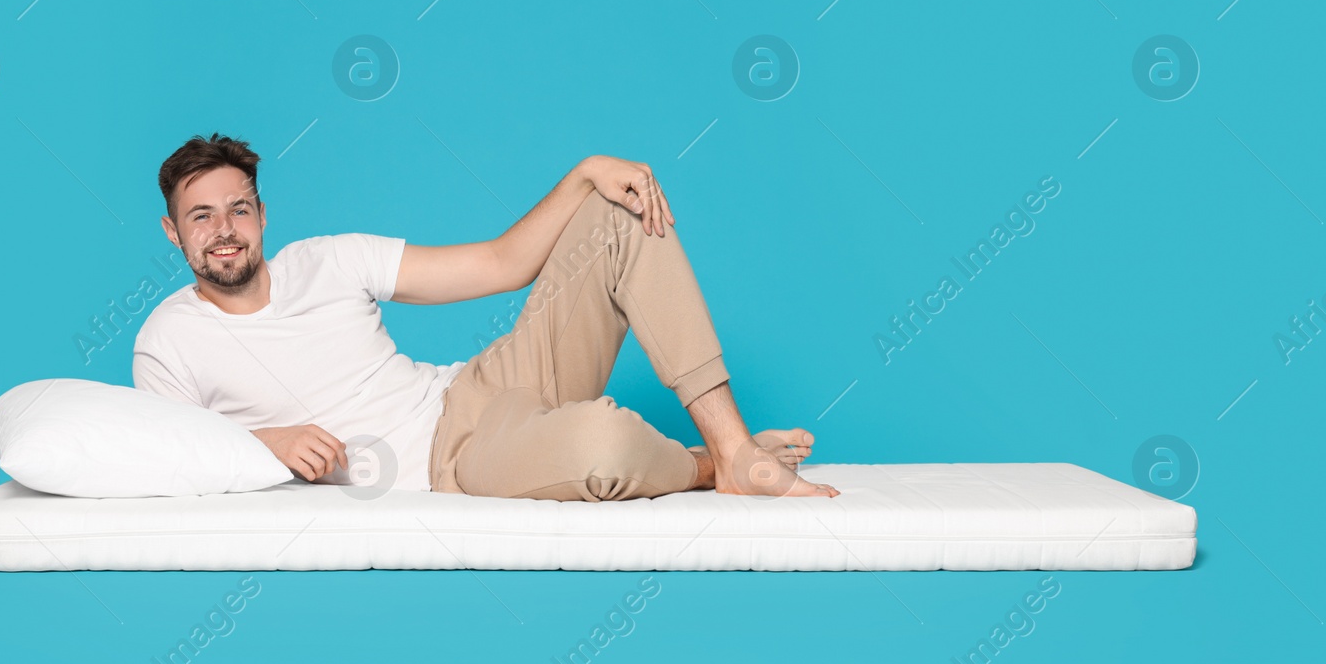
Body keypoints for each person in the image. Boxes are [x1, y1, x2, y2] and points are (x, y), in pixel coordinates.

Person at [133, 132, 839, 501]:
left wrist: (586, 172)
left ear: (262, 214)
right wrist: (269, 441)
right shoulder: (169, 338)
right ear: (173, 232)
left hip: (478, 387)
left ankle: (736, 450)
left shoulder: (330, 260)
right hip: (457, 462)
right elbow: (165, 457)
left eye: (239, 209)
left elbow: (502, 263)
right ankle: (702, 466)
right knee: (602, 446)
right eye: (202, 216)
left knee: (614, 212)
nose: (224, 229)